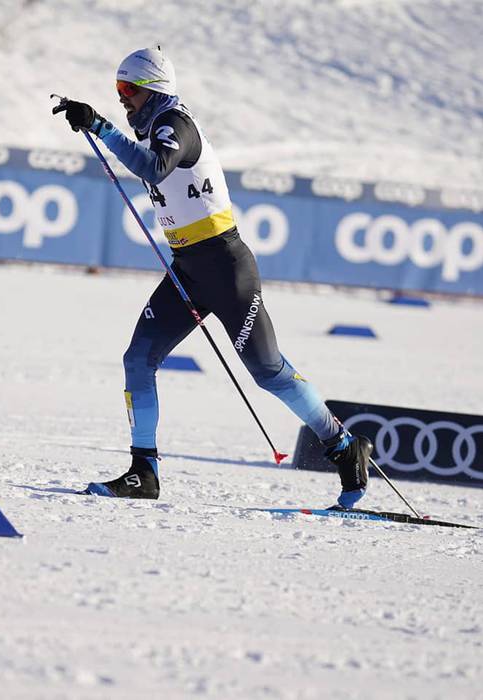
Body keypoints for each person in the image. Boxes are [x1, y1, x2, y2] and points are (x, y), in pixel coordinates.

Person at [53, 47, 373, 508]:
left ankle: (344, 445)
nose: (123, 99)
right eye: (118, 90)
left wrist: (100, 125)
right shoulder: (157, 124)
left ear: (154, 90)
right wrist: (99, 123)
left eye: (129, 90)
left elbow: (153, 167)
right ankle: (144, 470)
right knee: (138, 361)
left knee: (267, 371)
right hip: (187, 271)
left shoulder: (175, 125)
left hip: (227, 270)